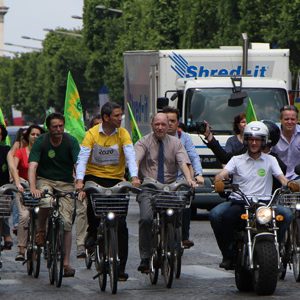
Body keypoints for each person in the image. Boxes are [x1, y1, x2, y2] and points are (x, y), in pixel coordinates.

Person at [213, 121, 296, 269]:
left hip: (265, 204)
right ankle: (229, 254)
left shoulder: (271, 160)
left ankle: (279, 247)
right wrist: (219, 180)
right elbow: (223, 174)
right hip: (241, 203)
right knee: (223, 217)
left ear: (264, 141)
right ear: (246, 140)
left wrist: (290, 184)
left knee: (287, 215)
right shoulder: (236, 159)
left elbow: (281, 177)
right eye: (251, 139)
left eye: (257, 139)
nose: (254, 142)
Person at [75, 101, 140, 281]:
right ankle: (93, 232)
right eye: (117, 116)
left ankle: (120, 268)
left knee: (121, 225)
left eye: (121, 115)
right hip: (94, 178)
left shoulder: (123, 134)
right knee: (94, 208)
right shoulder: (91, 134)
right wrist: (80, 180)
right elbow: (82, 159)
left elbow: (130, 156)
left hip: (116, 180)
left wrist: (134, 177)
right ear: (106, 118)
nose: (120, 119)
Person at [134, 112, 196, 273]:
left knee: (176, 216)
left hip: (170, 188)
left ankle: (175, 244)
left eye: (163, 124)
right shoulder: (143, 142)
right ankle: (146, 257)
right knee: (146, 219)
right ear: (152, 125)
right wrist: (134, 177)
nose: (160, 127)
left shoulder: (176, 143)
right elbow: (136, 160)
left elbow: (184, 162)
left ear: (169, 125)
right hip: (149, 187)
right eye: (157, 124)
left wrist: (189, 179)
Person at [28, 113, 80, 277]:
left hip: (66, 183)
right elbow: (32, 167)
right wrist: (33, 187)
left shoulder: (71, 141)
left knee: (66, 223)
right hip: (45, 181)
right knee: (45, 202)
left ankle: (66, 264)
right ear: (48, 128)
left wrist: (79, 183)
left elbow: (79, 164)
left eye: (60, 126)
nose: (58, 129)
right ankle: (41, 229)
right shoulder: (41, 142)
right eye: (54, 127)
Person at [162, 106, 204, 248]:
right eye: (166, 120)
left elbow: (193, 156)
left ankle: (184, 236)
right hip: (160, 181)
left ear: (178, 122)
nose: (169, 124)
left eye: (172, 121)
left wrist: (198, 174)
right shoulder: (155, 137)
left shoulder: (184, 138)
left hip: (181, 180)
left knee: (185, 202)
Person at [8, 125, 44, 261]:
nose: (35, 137)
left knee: (46, 213)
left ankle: (46, 242)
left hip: (40, 188)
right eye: (33, 134)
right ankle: (22, 249)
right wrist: (17, 182)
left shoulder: (44, 152)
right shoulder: (20, 152)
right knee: (24, 215)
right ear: (28, 136)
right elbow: (14, 168)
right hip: (23, 187)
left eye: (38, 135)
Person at [272, 105, 300, 180]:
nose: (290, 122)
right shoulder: (273, 133)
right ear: (280, 120)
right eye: (286, 119)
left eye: (293, 119)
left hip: (297, 177)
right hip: (276, 177)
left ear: (297, 120)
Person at [0, 124, 13, 250]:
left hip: (3, 190)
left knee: (2, 213)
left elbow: (12, 167)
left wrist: (16, 181)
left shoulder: (6, 150)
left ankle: (7, 235)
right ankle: (7, 234)